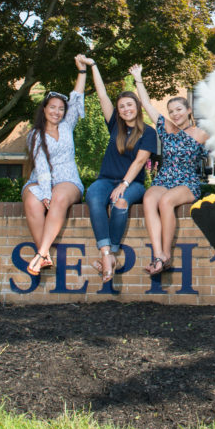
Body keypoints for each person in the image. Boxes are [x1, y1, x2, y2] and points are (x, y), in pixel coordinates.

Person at [84, 57, 158, 282]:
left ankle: (110, 254)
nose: (126, 109)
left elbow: (139, 162)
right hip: (106, 179)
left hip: (132, 184)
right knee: (93, 197)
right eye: (122, 106)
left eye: (130, 104)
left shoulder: (148, 132)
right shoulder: (115, 125)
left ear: (137, 107)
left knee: (121, 202)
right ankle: (108, 255)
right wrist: (94, 65)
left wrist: (123, 185)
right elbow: (102, 95)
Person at [130, 64, 209, 275]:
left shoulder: (200, 133)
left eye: (179, 110)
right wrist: (139, 77)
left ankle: (166, 255)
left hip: (187, 182)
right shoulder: (165, 128)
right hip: (164, 179)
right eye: (171, 111)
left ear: (188, 110)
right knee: (149, 199)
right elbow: (146, 103)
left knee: (165, 202)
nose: (175, 114)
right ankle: (157, 255)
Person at [21, 55, 90, 276]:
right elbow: (41, 167)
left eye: (61, 108)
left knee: (59, 196)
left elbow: (77, 97)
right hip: (41, 179)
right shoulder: (35, 135)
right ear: (44, 110)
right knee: (32, 200)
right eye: (53, 108)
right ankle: (46, 257)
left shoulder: (68, 125)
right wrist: (43, 193)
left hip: (68, 180)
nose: (57, 112)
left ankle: (41, 253)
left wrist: (81, 72)